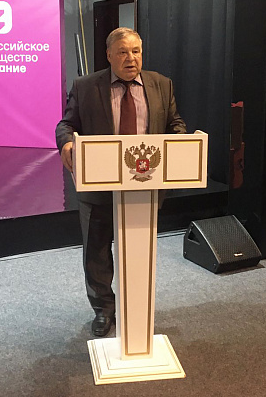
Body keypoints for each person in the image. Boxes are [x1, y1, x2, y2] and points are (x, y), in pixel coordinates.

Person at [55, 27, 186, 337]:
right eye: (123, 52)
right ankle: (103, 308)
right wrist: (67, 142)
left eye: (136, 51)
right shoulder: (86, 87)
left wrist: (180, 141)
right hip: (100, 185)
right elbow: (66, 124)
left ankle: (136, 305)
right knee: (97, 251)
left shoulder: (161, 84)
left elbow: (174, 123)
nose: (131, 58)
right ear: (109, 55)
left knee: (138, 249)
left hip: (145, 185)